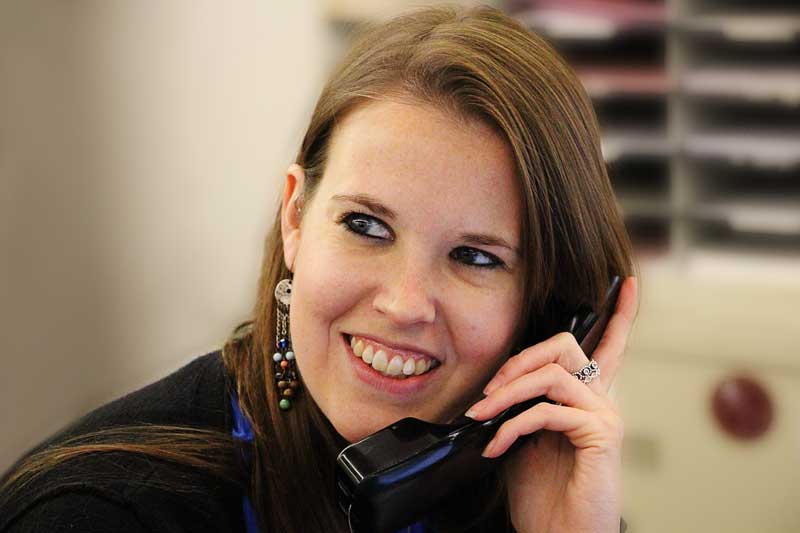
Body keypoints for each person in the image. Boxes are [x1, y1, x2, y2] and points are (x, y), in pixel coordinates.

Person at [0, 5, 638, 532]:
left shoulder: (533, 491)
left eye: (474, 256)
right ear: (296, 219)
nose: (405, 302)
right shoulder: (98, 516)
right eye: (365, 226)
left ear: (549, 307)